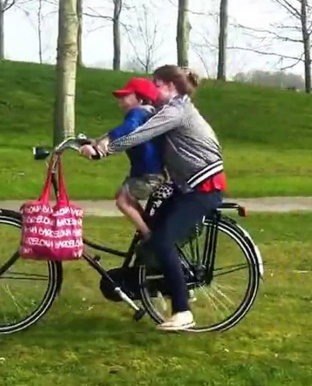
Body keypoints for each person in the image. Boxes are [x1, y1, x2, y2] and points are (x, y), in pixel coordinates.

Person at [80, 65, 227, 332]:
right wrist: (98, 140)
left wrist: (104, 151)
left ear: (170, 86)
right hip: (187, 187)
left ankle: (183, 311)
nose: (152, 88)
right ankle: (170, 283)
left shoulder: (176, 111)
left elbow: (139, 135)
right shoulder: (166, 110)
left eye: (156, 84)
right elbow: (134, 124)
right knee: (151, 240)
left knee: (161, 240)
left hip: (203, 188)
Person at [89, 77, 167, 239]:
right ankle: (148, 226)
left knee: (123, 201)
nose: (121, 100)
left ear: (140, 98)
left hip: (148, 176)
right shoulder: (148, 115)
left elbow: (128, 128)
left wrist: (106, 141)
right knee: (121, 195)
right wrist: (97, 141)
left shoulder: (138, 113)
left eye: (126, 96)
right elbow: (125, 132)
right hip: (147, 173)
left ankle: (149, 238)